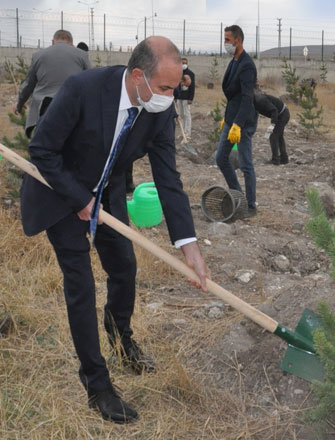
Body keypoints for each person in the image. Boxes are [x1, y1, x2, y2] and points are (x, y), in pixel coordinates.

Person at [20, 36, 210, 423]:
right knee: (82, 286)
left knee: (124, 267)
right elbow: (41, 151)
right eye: (165, 88)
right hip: (60, 191)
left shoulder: (157, 110)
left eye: (176, 88)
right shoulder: (83, 90)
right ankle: (97, 383)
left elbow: (168, 178)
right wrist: (79, 199)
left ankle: (121, 338)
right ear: (138, 75)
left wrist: (188, 245)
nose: (170, 97)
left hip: (106, 190)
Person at [215, 25, 258, 218]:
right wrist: (227, 118)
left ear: (237, 41)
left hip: (243, 121)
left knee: (245, 163)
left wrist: (238, 124)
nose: (225, 43)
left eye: (227, 40)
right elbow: (234, 95)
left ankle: (251, 205)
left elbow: (247, 97)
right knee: (221, 157)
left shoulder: (247, 64)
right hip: (232, 118)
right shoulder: (234, 61)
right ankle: (237, 194)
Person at [14, 29, 91, 138]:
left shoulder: (38, 55)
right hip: (71, 109)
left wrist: (19, 104)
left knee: (42, 146)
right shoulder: (82, 55)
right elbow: (90, 82)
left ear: (52, 42)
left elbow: (28, 84)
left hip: (44, 109)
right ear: (72, 43)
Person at [253, 92, 290, 165]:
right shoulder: (254, 101)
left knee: (273, 136)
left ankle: (275, 160)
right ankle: (284, 159)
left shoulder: (260, 100)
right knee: (279, 136)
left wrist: (272, 124)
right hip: (281, 114)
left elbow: (274, 110)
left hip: (283, 114)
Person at [173, 57, 195, 139]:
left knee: (187, 114)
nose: (183, 65)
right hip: (179, 97)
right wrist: (175, 97)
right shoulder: (178, 73)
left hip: (186, 98)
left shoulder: (190, 74)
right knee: (181, 115)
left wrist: (190, 98)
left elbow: (192, 87)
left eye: (185, 63)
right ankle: (182, 133)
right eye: (182, 63)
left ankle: (187, 133)